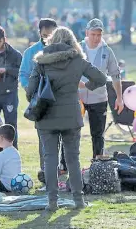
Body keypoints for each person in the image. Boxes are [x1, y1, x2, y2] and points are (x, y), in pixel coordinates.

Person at [26, 26, 107, 211]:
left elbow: (30, 90)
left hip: (46, 116)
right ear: (72, 41)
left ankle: (52, 201)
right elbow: (101, 78)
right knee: (73, 159)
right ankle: (78, 200)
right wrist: (87, 85)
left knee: (50, 159)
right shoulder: (78, 60)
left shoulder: (41, 61)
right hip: (71, 115)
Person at [19, 18, 61, 183]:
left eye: (51, 35)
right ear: (40, 33)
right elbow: (23, 74)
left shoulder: (63, 51)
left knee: (60, 137)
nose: (47, 38)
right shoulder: (31, 52)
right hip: (39, 103)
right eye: (44, 35)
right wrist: (29, 90)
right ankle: (45, 172)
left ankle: (57, 169)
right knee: (43, 139)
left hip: (59, 100)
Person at [79, 18, 124, 159]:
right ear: (87, 33)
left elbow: (115, 75)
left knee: (98, 134)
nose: (96, 38)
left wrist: (119, 98)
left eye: (99, 35)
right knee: (71, 132)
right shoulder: (78, 48)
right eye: (93, 34)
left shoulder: (107, 51)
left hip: (98, 98)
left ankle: (97, 163)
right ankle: (65, 165)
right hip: (77, 97)